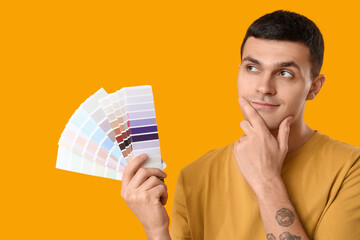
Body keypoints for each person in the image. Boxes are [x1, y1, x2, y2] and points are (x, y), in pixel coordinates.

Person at [120, 10, 360, 240]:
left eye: (285, 73)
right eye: (252, 68)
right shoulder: (195, 175)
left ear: (314, 87)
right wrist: (156, 230)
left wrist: (267, 180)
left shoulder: (350, 169)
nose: (264, 87)